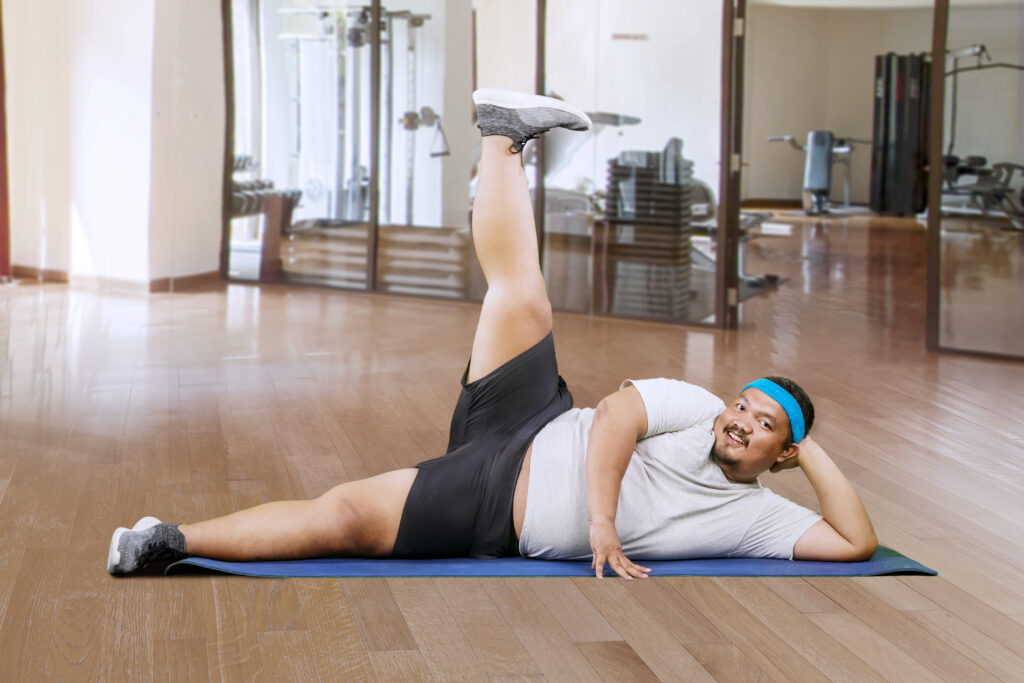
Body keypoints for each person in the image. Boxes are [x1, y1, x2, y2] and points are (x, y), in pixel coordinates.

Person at [108, 89, 877, 579]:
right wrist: (603, 525)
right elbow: (614, 416)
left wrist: (812, 451)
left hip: (495, 499)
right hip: (539, 417)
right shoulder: (695, 403)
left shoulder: (755, 520)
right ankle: (504, 134)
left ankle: (165, 537)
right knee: (523, 297)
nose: (739, 418)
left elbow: (855, 544)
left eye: (764, 424)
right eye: (745, 405)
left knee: (342, 518)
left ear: (782, 455)